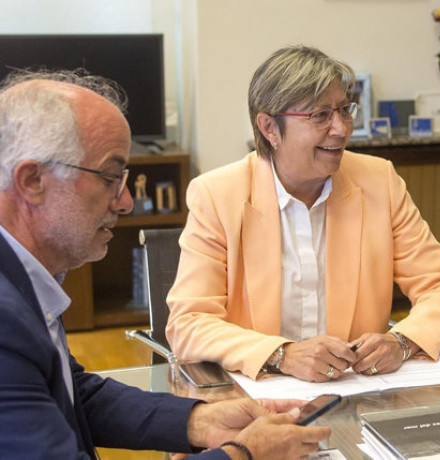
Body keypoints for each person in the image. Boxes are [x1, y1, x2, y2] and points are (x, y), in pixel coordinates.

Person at [0, 69, 331, 459]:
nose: (125, 202)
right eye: (109, 177)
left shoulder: (23, 280)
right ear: (32, 180)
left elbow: (73, 393)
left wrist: (199, 421)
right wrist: (244, 454)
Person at [166, 45, 440, 382]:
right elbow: (188, 324)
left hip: (357, 392)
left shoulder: (379, 181)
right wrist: (282, 354)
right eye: (320, 116)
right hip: (257, 396)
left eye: (344, 110)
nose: (341, 129)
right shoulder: (217, 196)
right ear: (269, 128)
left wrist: (401, 342)